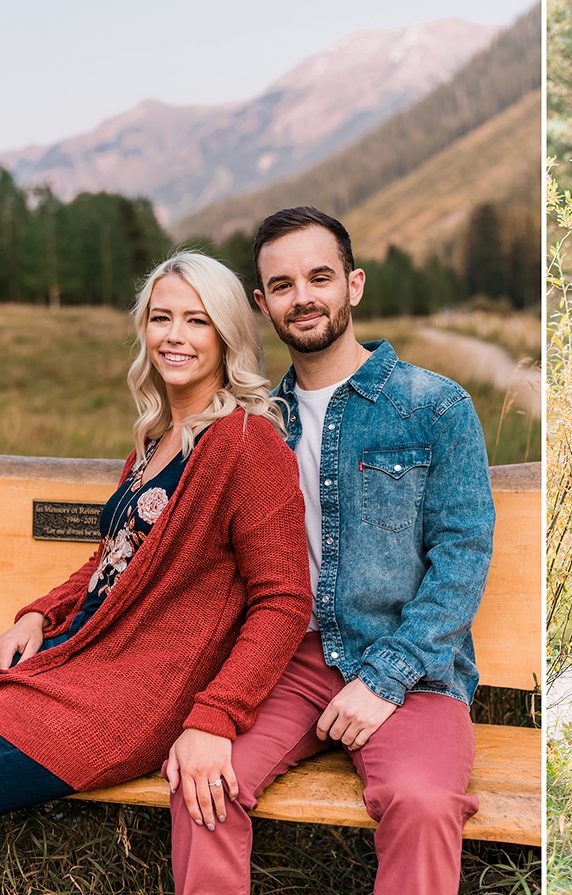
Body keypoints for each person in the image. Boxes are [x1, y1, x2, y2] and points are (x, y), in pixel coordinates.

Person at [0, 252, 312, 894]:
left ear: (227, 336)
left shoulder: (251, 446)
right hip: (69, 656)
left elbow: (282, 602)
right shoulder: (154, 438)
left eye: (197, 321)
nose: (175, 335)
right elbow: (109, 559)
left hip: (123, 699)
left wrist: (215, 716)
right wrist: (37, 615)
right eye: (161, 318)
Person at [168, 206, 496, 895]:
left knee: (423, 801)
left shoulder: (433, 405)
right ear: (262, 306)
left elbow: (462, 555)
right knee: (202, 783)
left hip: (412, 664)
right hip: (283, 662)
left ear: (354, 285)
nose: (303, 296)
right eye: (282, 285)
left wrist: (387, 676)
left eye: (320, 276)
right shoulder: (254, 425)